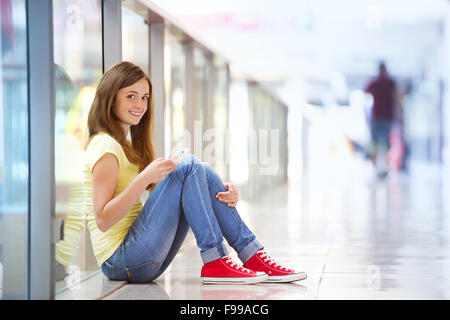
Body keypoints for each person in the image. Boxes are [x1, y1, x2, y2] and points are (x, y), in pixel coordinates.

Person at [83, 61, 307, 284]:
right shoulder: (105, 146)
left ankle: (253, 256)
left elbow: (158, 198)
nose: (140, 105)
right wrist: (144, 178)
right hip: (120, 261)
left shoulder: (125, 144)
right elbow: (103, 219)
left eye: (144, 98)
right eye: (131, 96)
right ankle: (218, 261)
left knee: (201, 169)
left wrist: (219, 193)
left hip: (138, 257)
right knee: (188, 165)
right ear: (111, 97)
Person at [364, 61, 397, 177]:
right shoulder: (391, 82)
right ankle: (385, 165)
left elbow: (365, 92)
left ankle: (374, 166)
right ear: (385, 70)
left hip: (376, 117)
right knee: (385, 143)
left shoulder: (374, 82)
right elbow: (396, 97)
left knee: (375, 143)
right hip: (387, 117)